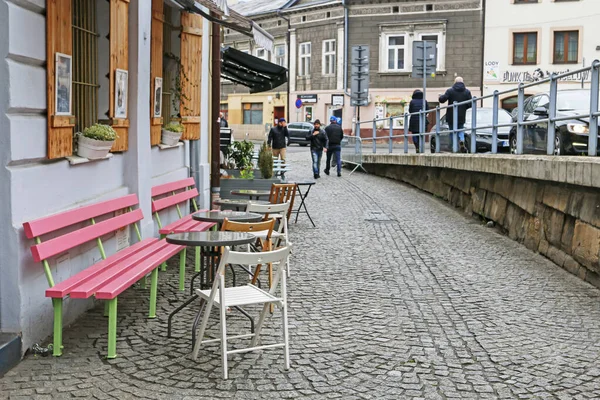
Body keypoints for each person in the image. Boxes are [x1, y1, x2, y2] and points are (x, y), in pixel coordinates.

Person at [439, 77, 472, 153]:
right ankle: (461, 140)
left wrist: (440, 96)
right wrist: (464, 107)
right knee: (460, 129)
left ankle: (454, 146)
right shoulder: (467, 92)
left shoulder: (450, 91)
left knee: (452, 130)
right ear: (463, 82)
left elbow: (442, 100)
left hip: (451, 115)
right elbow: (470, 104)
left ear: (454, 82)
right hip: (461, 115)